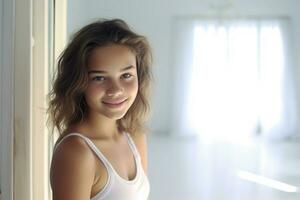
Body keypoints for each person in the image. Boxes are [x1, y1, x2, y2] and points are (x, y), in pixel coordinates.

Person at [47, 18, 153, 200]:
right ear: (78, 82)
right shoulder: (77, 152)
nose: (116, 90)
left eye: (126, 75)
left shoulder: (135, 136)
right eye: (99, 78)